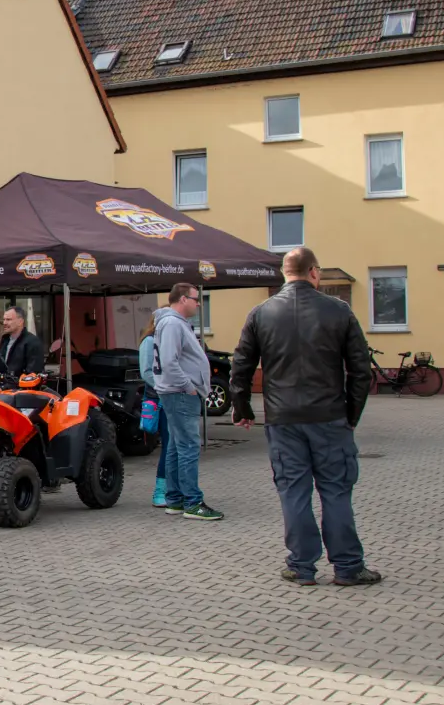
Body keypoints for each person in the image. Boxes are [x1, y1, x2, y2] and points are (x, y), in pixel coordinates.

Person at [230, 246, 380, 586]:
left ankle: (301, 566)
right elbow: (360, 370)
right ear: (315, 272)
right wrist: (351, 415)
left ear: (285, 273)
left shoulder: (261, 313)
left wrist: (242, 407)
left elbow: (241, 366)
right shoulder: (339, 312)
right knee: (336, 491)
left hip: (283, 419)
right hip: (329, 417)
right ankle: (348, 567)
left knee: (293, 491)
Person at [152, 283, 221, 521]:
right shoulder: (172, 323)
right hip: (180, 393)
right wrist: (189, 387)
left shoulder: (173, 323)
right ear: (182, 299)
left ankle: (175, 499)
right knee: (189, 447)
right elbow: (170, 361)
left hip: (176, 392)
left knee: (175, 446)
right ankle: (192, 502)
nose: (198, 303)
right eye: (195, 298)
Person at [138, 315, 169, 507]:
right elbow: (147, 372)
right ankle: (160, 491)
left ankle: (172, 488)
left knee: (173, 444)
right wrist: (166, 388)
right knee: (169, 444)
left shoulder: (166, 340)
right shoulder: (149, 342)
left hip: (170, 399)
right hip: (160, 400)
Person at [0, 305, 45, 380]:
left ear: (20, 321)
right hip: (3, 388)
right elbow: (1, 368)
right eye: (4, 319)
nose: (4, 323)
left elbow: (33, 373)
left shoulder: (33, 342)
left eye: (8, 319)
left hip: (23, 389)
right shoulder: (5, 339)